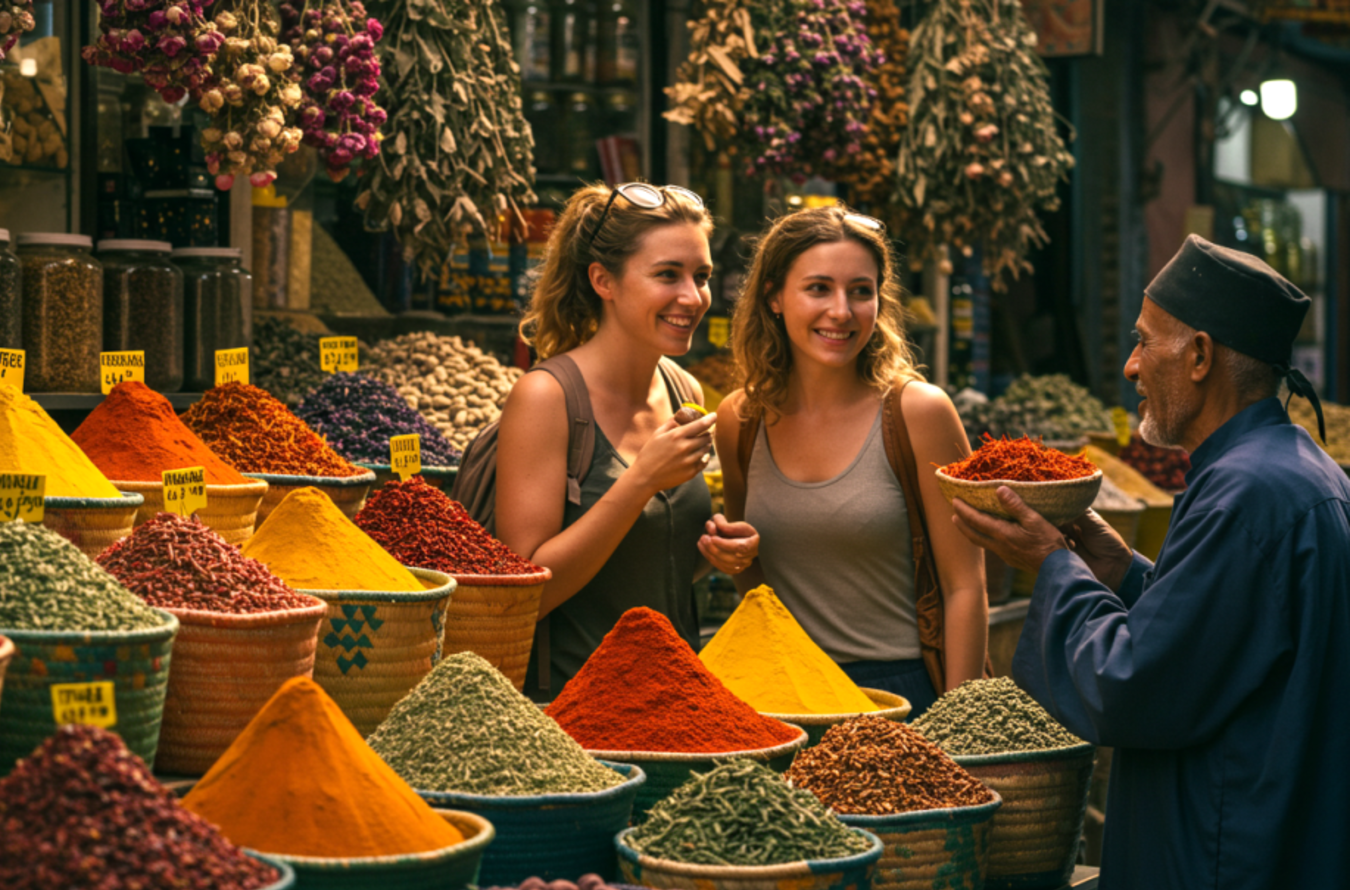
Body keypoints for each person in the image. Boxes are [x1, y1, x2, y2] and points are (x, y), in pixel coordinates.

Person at [952, 234, 1350, 888]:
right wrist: (1124, 572)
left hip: (1225, 851)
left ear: (1198, 356)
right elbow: (1224, 639)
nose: (1131, 367)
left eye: (1143, 341)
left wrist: (1052, 565)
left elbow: (1134, 685)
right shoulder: (1294, 470)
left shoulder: (1245, 496)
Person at [714, 205, 987, 717]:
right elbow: (752, 579)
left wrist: (957, 725)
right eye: (818, 288)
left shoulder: (918, 412)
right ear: (773, 297)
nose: (841, 311)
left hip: (902, 691)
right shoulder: (740, 419)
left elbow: (965, 585)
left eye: (861, 291)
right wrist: (729, 554)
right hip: (786, 695)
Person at [496, 182, 759, 700]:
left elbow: (650, 558)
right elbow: (524, 595)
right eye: (667, 275)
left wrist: (715, 552)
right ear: (603, 281)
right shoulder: (546, 398)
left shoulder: (682, 388)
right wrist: (641, 481)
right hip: (573, 713)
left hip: (678, 702)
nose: (692, 297)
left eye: (701, 276)